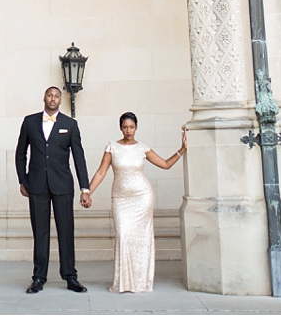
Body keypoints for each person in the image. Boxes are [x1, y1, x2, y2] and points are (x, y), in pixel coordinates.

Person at [83, 112, 187, 293]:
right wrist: (87, 192)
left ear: (136, 127)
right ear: (120, 127)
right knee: (123, 235)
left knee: (141, 240)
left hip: (142, 197)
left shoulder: (142, 148)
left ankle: (140, 282)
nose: (128, 130)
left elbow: (165, 164)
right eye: (125, 127)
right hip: (121, 199)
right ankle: (124, 282)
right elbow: (101, 172)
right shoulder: (112, 147)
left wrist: (182, 149)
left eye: (131, 127)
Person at [15, 86, 91, 294]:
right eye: (50, 95)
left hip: (63, 185)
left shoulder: (70, 124)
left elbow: (79, 158)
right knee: (40, 232)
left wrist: (85, 188)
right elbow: (20, 152)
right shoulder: (30, 122)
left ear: (60, 100)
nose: (53, 99)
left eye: (57, 96)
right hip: (36, 185)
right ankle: (38, 277)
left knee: (66, 231)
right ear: (44, 98)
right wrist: (23, 180)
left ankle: (70, 277)